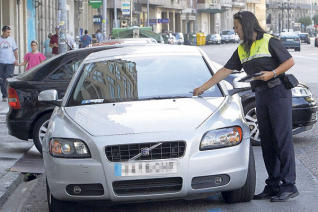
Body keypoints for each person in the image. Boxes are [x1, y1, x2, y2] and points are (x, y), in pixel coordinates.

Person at [193, 11, 298, 202]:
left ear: (247, 25)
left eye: (236, 27)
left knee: (281, 140)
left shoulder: (269, 40)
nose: (235, 31)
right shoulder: (242, 49)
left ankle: (289, 185)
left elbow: (289, 61)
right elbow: (225, 70)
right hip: (261, 95)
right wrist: (203, 87)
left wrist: (272, 73)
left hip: (278, 93)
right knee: (267, 142)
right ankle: (273, 185)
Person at [0, 26, 18, 102]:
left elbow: (15, 50)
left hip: (10, 63)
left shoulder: (11, 39)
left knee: (7, 79)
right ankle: (4, 94)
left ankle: (7, 95)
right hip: (1, 62)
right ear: (3, 31)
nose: (9, 33)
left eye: (9, 32)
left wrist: (16, 59)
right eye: (8, 32)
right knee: (1, 79)